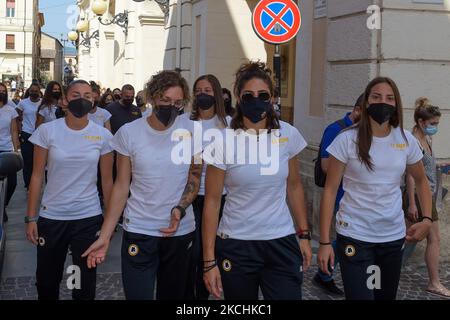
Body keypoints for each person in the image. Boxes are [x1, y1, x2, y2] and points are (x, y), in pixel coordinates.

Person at [82, 70, 202, 300]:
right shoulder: (129, 133)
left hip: (180, 232)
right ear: (153, 98)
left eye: (177, 103)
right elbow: (121, 185)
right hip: (139, 229)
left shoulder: (193, 133)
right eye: (165, 100)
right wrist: (106, 235)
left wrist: (180, 208)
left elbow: (195, 176)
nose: (171, 107)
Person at [202, 61, 312, 300]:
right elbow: (212, 202)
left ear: (272, 98)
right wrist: (209, 262)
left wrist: (303, 235)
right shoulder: (222, 140)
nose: (256, 100)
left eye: (263, 95)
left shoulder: (288, 134)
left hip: (281, 241)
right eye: (248, 95)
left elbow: (294, 186)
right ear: (238, 98)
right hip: (237, 243)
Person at [317, 77, 433, 300]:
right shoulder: (347, 139)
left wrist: (427, 220)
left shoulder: (405, 139)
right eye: (376, 97)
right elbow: (330, 190)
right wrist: (323, 242)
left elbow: (421, 180)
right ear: (367, 103)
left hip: (391, 237)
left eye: (389, 98)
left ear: (396, 104)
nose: (383, 102)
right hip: (355, 235)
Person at [25, 80, 114, 300]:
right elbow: (36, 177)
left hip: (87, 217)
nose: (81, 99)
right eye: (75, 95)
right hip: (52, 216)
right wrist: (30, 217)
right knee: (47, 280)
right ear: (65, 100)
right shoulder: (47, 131)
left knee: (83, 282)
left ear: (93, 100)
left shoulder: (102, 136)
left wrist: (109, 225)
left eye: (87, 95)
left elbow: (108, 181)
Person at [312, 94, 363, 296]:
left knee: (350, 238)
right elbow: (326, 166)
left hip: (357, 196)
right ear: (358, 109)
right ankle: (324, 274)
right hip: (341, 194)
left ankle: (325, 272)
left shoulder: (364, 132)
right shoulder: (335, 130)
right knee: (344, 239)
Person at [187, 74, 230, 300]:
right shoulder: (186, 123)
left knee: (214, 251)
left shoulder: (230, 124)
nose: (203, 94)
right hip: (193, 198)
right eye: (199, 90)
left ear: (217, 93)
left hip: (221, 197)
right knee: (194, 254)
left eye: (208, 90)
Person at [402, 98, 450, 298]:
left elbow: (425, 168)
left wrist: (441, 165)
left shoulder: (425, 139)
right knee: (433, 238)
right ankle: (434, 282)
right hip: (420, 198)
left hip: (426, 196)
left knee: (409, 238)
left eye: (437, 124)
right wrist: (413, 203)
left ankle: (384, 268)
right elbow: (411, 174)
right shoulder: (414, 141)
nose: (435, 128)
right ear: (421, 122)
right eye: (433, 124)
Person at [0, 83, 20, 222]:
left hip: (6, 149)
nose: (1, 93)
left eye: (3, 91)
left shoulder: (11, 110)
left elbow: (13, 131)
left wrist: (15, 149)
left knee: (12, 182)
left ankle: (3, 205)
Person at [16, 83, 42, 189]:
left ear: (39, 91)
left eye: (36, 91)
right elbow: (17, 116)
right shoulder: (23, 103)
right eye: (32, 91)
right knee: (27, 162)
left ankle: (37, 185)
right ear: (29, 91)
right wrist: (19, 130)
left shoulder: (42, 103)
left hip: (40, 135)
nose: (34, 93)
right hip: (26, 134)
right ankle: (28, 186)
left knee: (38, 162)